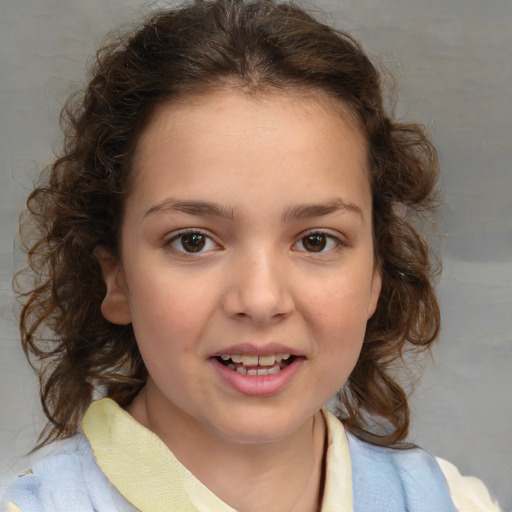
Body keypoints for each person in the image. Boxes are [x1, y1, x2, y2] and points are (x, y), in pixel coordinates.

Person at [4, 0, 502, 511]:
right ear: (117, 278)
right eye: (193, 241)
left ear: (377, 271)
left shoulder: (455, 503)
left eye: (316, 240)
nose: (261, 300)